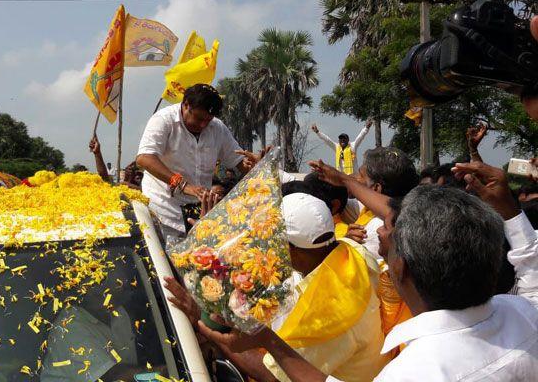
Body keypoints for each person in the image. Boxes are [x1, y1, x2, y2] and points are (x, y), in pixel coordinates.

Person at [197, 159, 538, 381]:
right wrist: (510, 211)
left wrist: (259, 340)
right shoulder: (523, 314)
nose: (380, 230)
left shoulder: (418, 371)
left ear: (400, 268)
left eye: (390, 230)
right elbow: (531, 275)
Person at [165, 193, 388, 382]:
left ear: (287, 248)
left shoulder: (325, 314)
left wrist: (201, 322)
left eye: (271, 237)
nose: (266, 244)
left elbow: (271, 374)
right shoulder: (349, 250)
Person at [136, 83, 251, 239]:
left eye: (208, 120)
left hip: (201, 213)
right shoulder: (163, 120)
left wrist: (255, 163)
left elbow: (239, 161)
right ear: (185, 105)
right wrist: (182, 184)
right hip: (163, 210)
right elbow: (144, 158)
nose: (203, 125)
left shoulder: (217, 128)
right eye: (198, 118)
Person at [339, 147, 419, 261]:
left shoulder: (376, 231)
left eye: (361, 175)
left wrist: (345, 243)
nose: (354, 177)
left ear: (376, 188)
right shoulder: (372, 210)